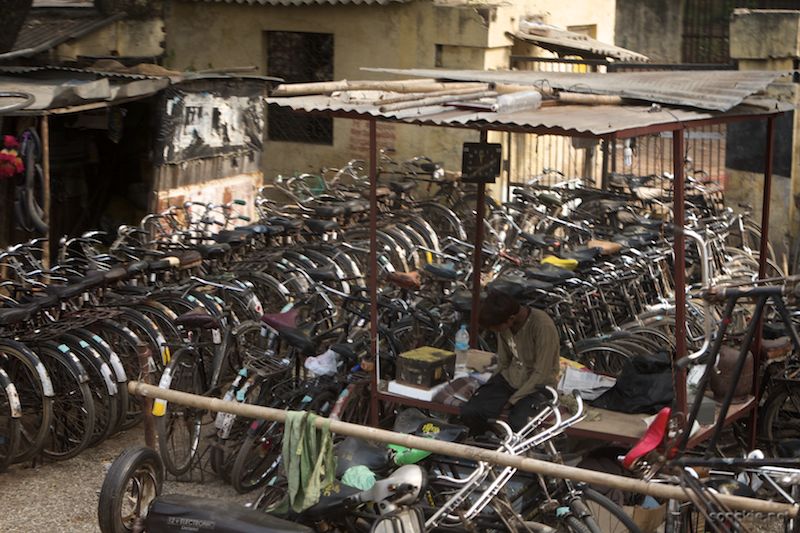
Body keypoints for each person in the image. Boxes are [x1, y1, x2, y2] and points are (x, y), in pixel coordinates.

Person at [460, 289, 561, 435]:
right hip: (511, 379)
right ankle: (487, 442)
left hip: (538, 385)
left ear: (511, 318)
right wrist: (490, 386)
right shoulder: (505, 327)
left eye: (496, 328)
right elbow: (503, 361)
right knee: (471, 410)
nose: (496, 332)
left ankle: (517, 455)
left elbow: (542, 372)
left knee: (519, 422)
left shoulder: (542, 326)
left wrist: (514, 400)